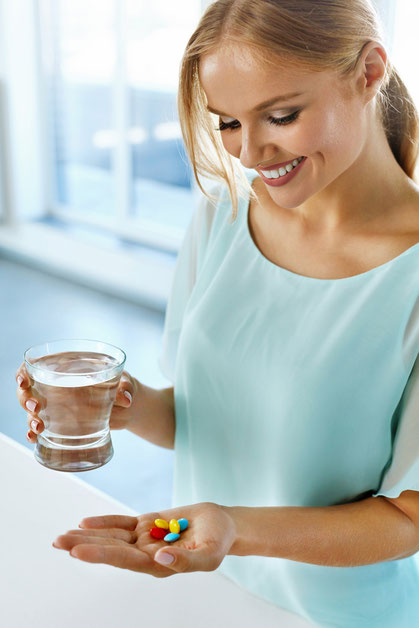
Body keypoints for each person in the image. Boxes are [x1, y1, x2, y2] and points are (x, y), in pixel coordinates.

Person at [16, 0, 419, 625]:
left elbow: (407, 518)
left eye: (281, 116)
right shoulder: (224, 214)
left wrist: (235, 529)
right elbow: (205, 420)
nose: (251, 153)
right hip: (202, 591)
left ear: (370, 73)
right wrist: (125, 404)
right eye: (227, 122)